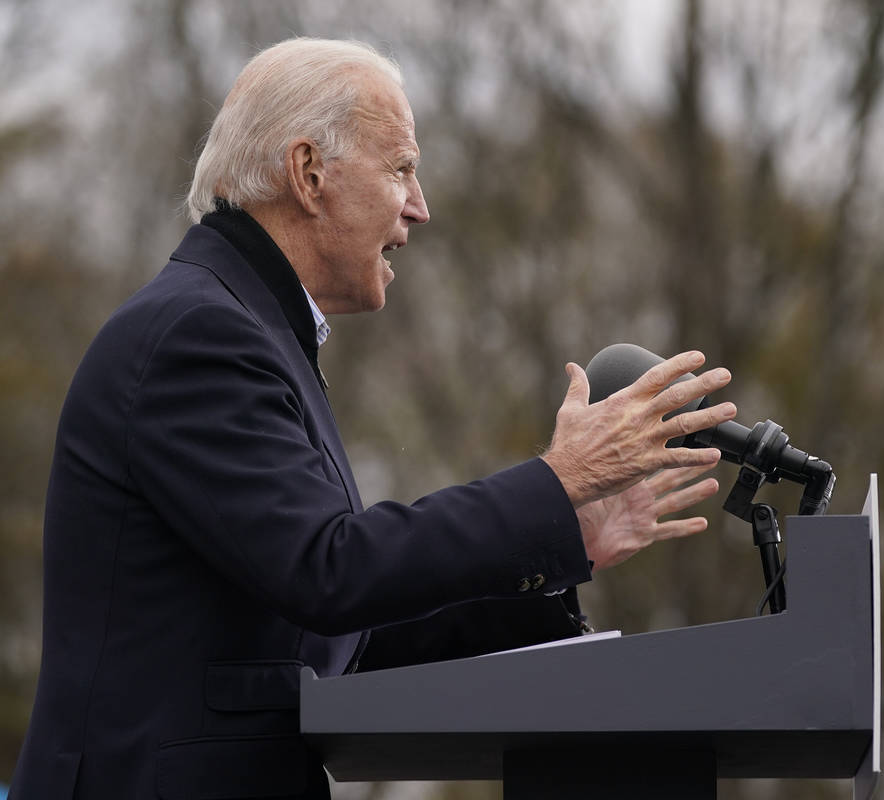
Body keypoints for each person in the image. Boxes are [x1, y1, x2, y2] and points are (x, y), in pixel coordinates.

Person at [9, 37, 737, 800]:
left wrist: (563, 539)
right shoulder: (199, 334)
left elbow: (331, 634)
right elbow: (333, 572)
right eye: (402, 169)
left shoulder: (244, 327)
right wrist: (556, 484)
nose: (420, 208)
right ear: (309, 173)